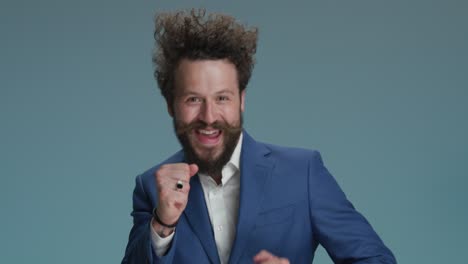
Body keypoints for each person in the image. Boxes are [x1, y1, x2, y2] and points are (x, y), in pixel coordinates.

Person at [122, 9, 396, 264]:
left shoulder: (303, 173)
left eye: (222, 98)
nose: (209, 116)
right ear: (171, 104)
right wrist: (162, 224)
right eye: (194, 99)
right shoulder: (151, 187)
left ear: (241, 100)